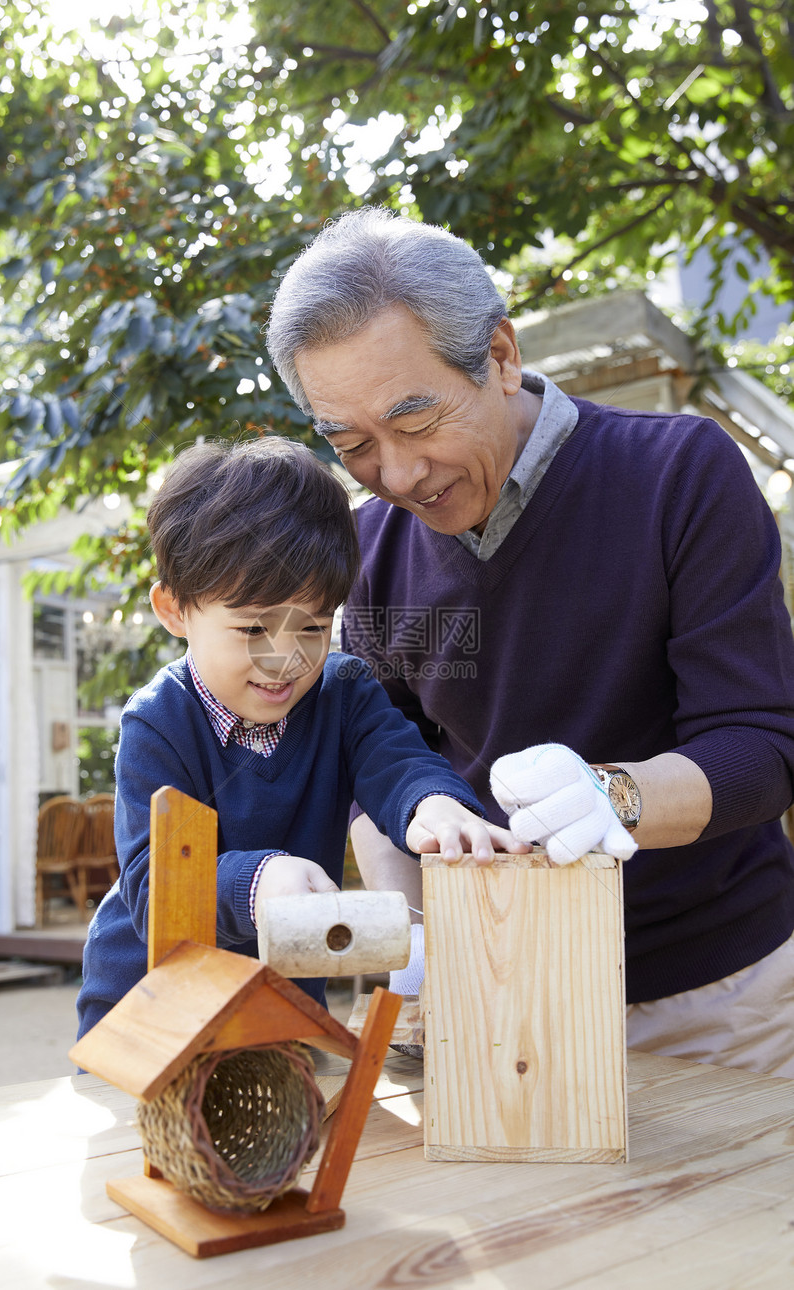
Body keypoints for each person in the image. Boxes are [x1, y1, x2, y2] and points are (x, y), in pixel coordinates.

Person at [265, 206, 794, 1076]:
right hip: (499, 992)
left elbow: (760, 749)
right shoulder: (368, 551)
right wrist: (420, 946)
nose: (396, 475)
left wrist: (609, 797)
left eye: (417, 420)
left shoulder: (679, 474)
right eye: (352, 444)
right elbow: (375, 765)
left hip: (713, 994)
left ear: (501, 358)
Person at [76, 436, 522, 1037]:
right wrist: (259, 881)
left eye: (312, 625)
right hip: (149, 1004)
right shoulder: (158, 722)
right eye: (253, 627)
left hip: (281, 1003)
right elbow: (155, 887)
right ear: (175, 610)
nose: (284, 659)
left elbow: (397, 762)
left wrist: (432, 804)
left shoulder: (343, 693)